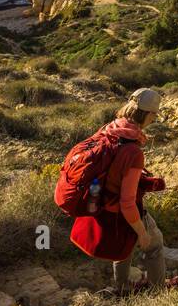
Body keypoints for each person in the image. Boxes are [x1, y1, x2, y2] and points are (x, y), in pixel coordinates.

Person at [68, 88, 167, 293]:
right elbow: (128, 203)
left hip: (103, 205)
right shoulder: (133, 152)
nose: (154, 119)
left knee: (124, 246)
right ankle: (159, 293)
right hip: (121, 211)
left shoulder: (110, 129)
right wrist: (141, 232)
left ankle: (122, 287)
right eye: (154, 115)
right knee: (154, 244)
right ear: (148, 114)